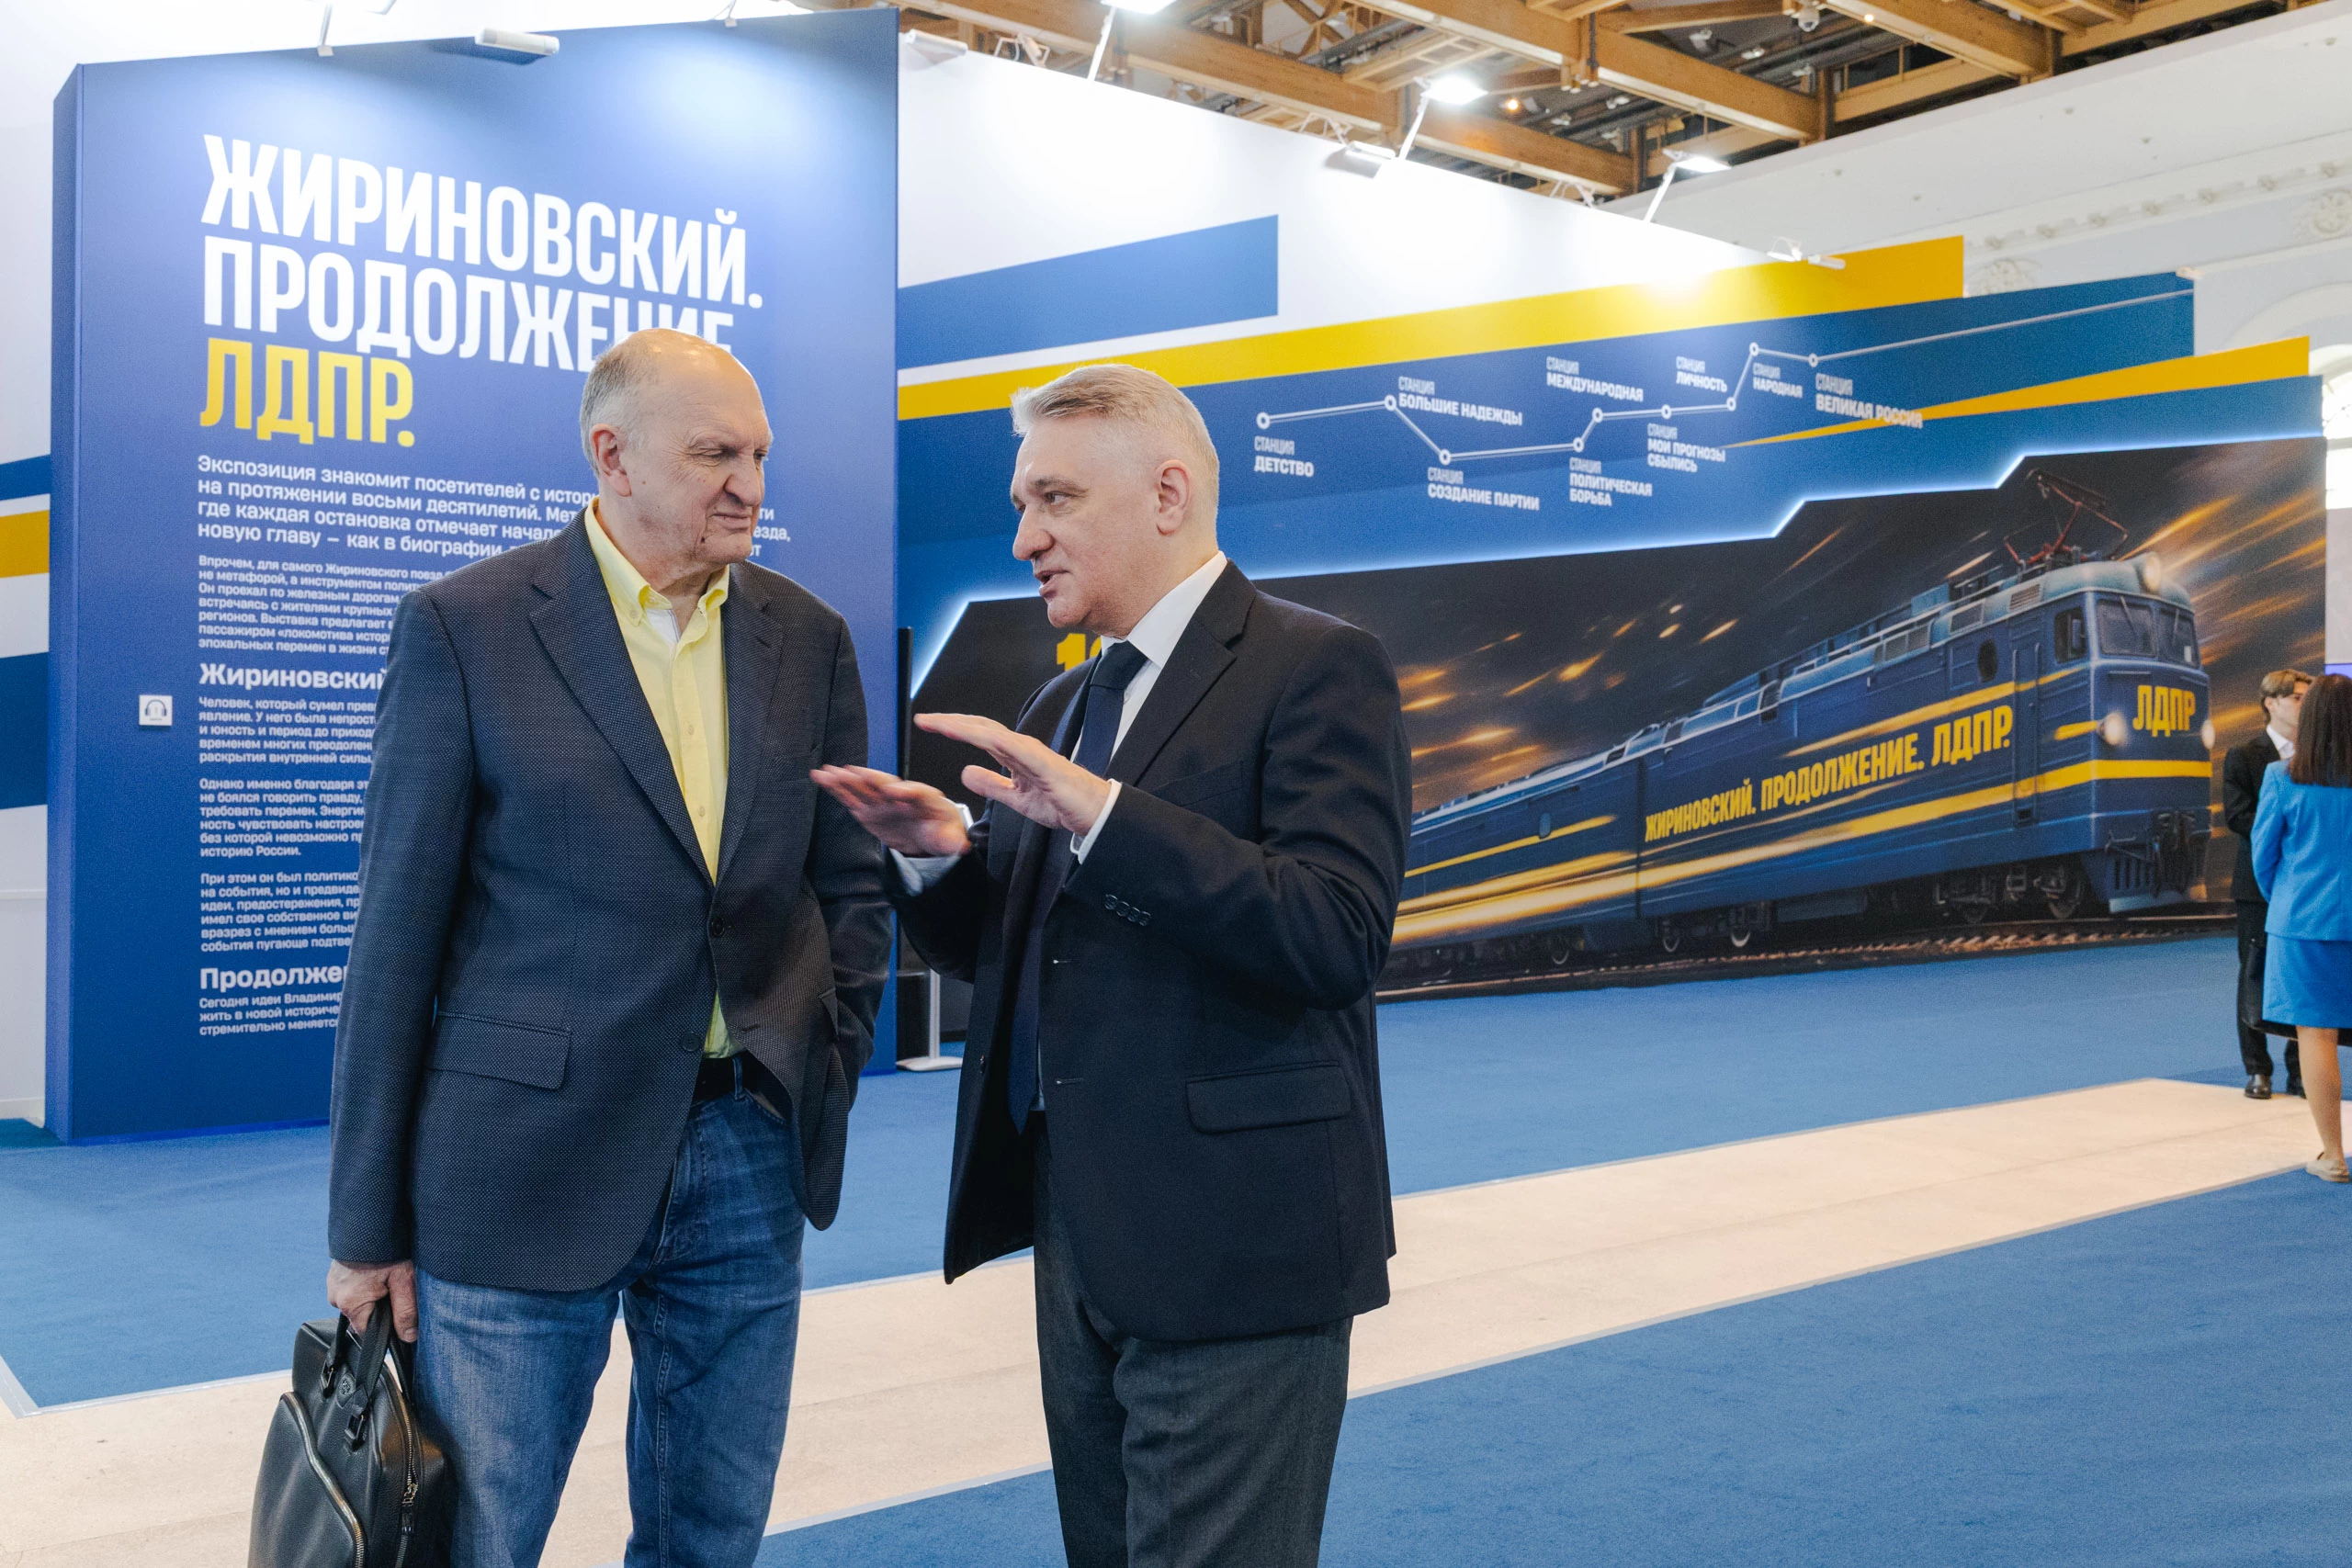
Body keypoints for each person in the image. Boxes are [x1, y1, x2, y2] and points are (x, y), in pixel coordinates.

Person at [813, 363, 1411, 1568]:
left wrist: (1105, 815)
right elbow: (1027, 954)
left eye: (1055, 499)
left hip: (1237, 1246)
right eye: (1021, 505)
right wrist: (938, 858)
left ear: (1167, 494)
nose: (1024, 538)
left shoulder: (1314, 665)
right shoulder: (1067, 701)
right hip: (1083, 1237)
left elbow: (1334, 929)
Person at [325, 329, 891, 1568]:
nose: (748, 484)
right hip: (523, 1164)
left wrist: (824, 1048)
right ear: (612, 456)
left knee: (713, 1532)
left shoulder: (807, 635)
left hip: (745, 1149)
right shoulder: (466, 627)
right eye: (714, 454)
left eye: (758, 455)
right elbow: (395, 937)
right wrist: (365, 1225)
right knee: (481, 1537)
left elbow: (846, 880)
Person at [2251, 671, 2352, 1183]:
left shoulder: (2282, 776)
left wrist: (2290, 902)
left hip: (2303, 923)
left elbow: (2263, 859)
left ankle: (2333, 1155)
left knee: (2316, 1036)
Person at [2224, 667, 2311, 1098]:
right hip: (2257, 885)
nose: (2305, 705)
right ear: (2270, 703)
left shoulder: (2318, 755)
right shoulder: (2243, 755)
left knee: (2303, 976)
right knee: (2254, 974)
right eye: (2297, 697)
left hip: (2304, 884)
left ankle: (2301, 1070)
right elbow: (2238, 816)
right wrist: (2286, 836)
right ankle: (2258, 1069)